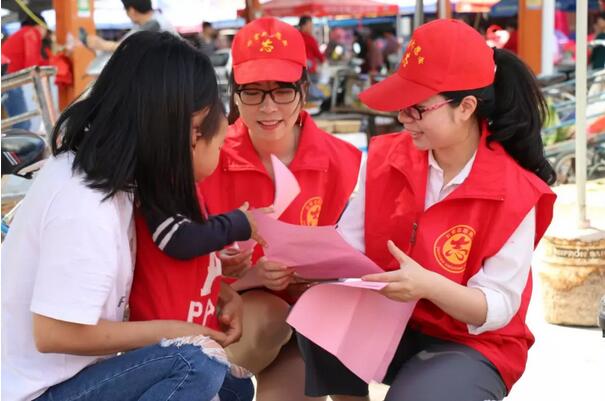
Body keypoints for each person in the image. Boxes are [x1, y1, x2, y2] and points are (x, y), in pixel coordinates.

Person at [297, 19, 557, 401]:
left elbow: (498, 307)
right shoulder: (385, 157)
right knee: (317, 314)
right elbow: (347, 247)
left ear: (466, 107)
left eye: (417, 109)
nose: (404, 120)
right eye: (402, 108)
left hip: (472, 344)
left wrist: (429, 286)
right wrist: (305, 260)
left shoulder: (516, 191)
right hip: (392, 321)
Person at [1, 31, 252, 401]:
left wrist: (220, 290)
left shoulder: (115, 182)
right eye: (218, 138)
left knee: (234, 387)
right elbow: (54, 332)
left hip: (71, 378)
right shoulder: (84, 201)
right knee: (194, 364)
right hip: (34, 392)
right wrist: (177, 331)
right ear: (192, 129)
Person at [198, 17, 362, 401]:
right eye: (253, 92)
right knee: (268, 319)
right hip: (247, 313)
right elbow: (183, 266)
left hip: (319, 314)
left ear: (304, 90)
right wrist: (249, 276)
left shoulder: (347, 162)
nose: (268, 107)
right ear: (234, 94)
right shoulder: (207, 159)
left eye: (283, 91)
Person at [1, 12, 49, 130]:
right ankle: (19, 148)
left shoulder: (22, 33)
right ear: (41, 26)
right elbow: (32, 63)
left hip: (7, 76)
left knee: (20, 121)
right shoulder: (31, 33)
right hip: (9, 78)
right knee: (23, 124)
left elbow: (38, 61)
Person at [87, 0, 175, 52]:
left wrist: (103, 45)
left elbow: (131, 46)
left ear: (131, 11)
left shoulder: (155, 24)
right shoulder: (141, 24)